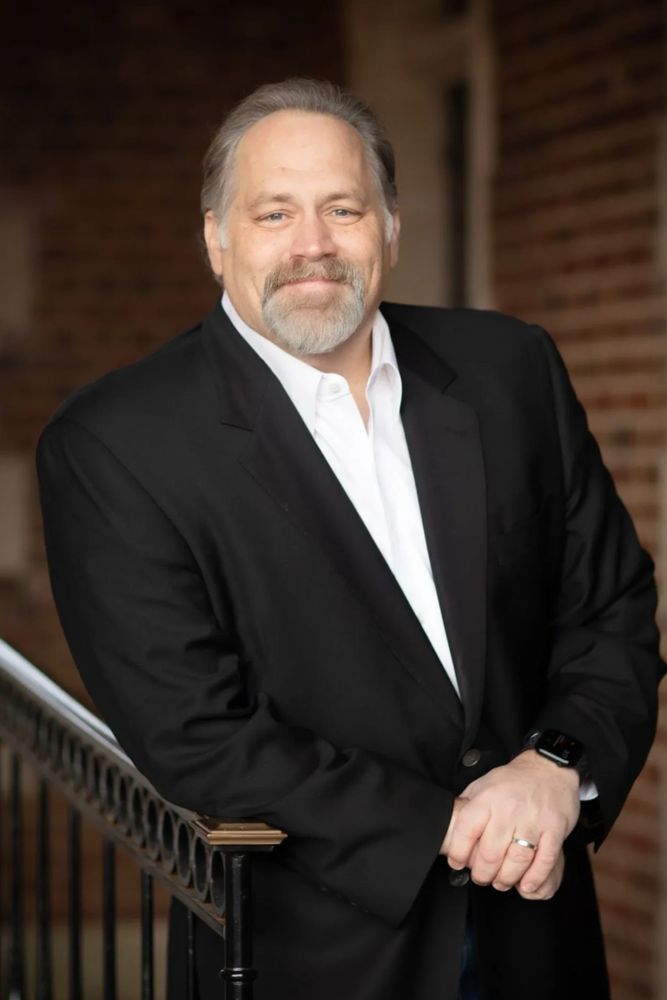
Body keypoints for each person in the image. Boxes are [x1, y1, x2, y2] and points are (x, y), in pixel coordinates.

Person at [36, 78, 664, 1000]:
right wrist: (450, 827)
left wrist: (554, 767)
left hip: (534, 930)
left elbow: (609, 608)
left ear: (391, 228)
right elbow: (194, 730)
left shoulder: (508, 368)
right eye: (274, 213)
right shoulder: (115, 443)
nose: (313, 244)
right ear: (214, 238)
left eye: (343, 208)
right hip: (310, 950)